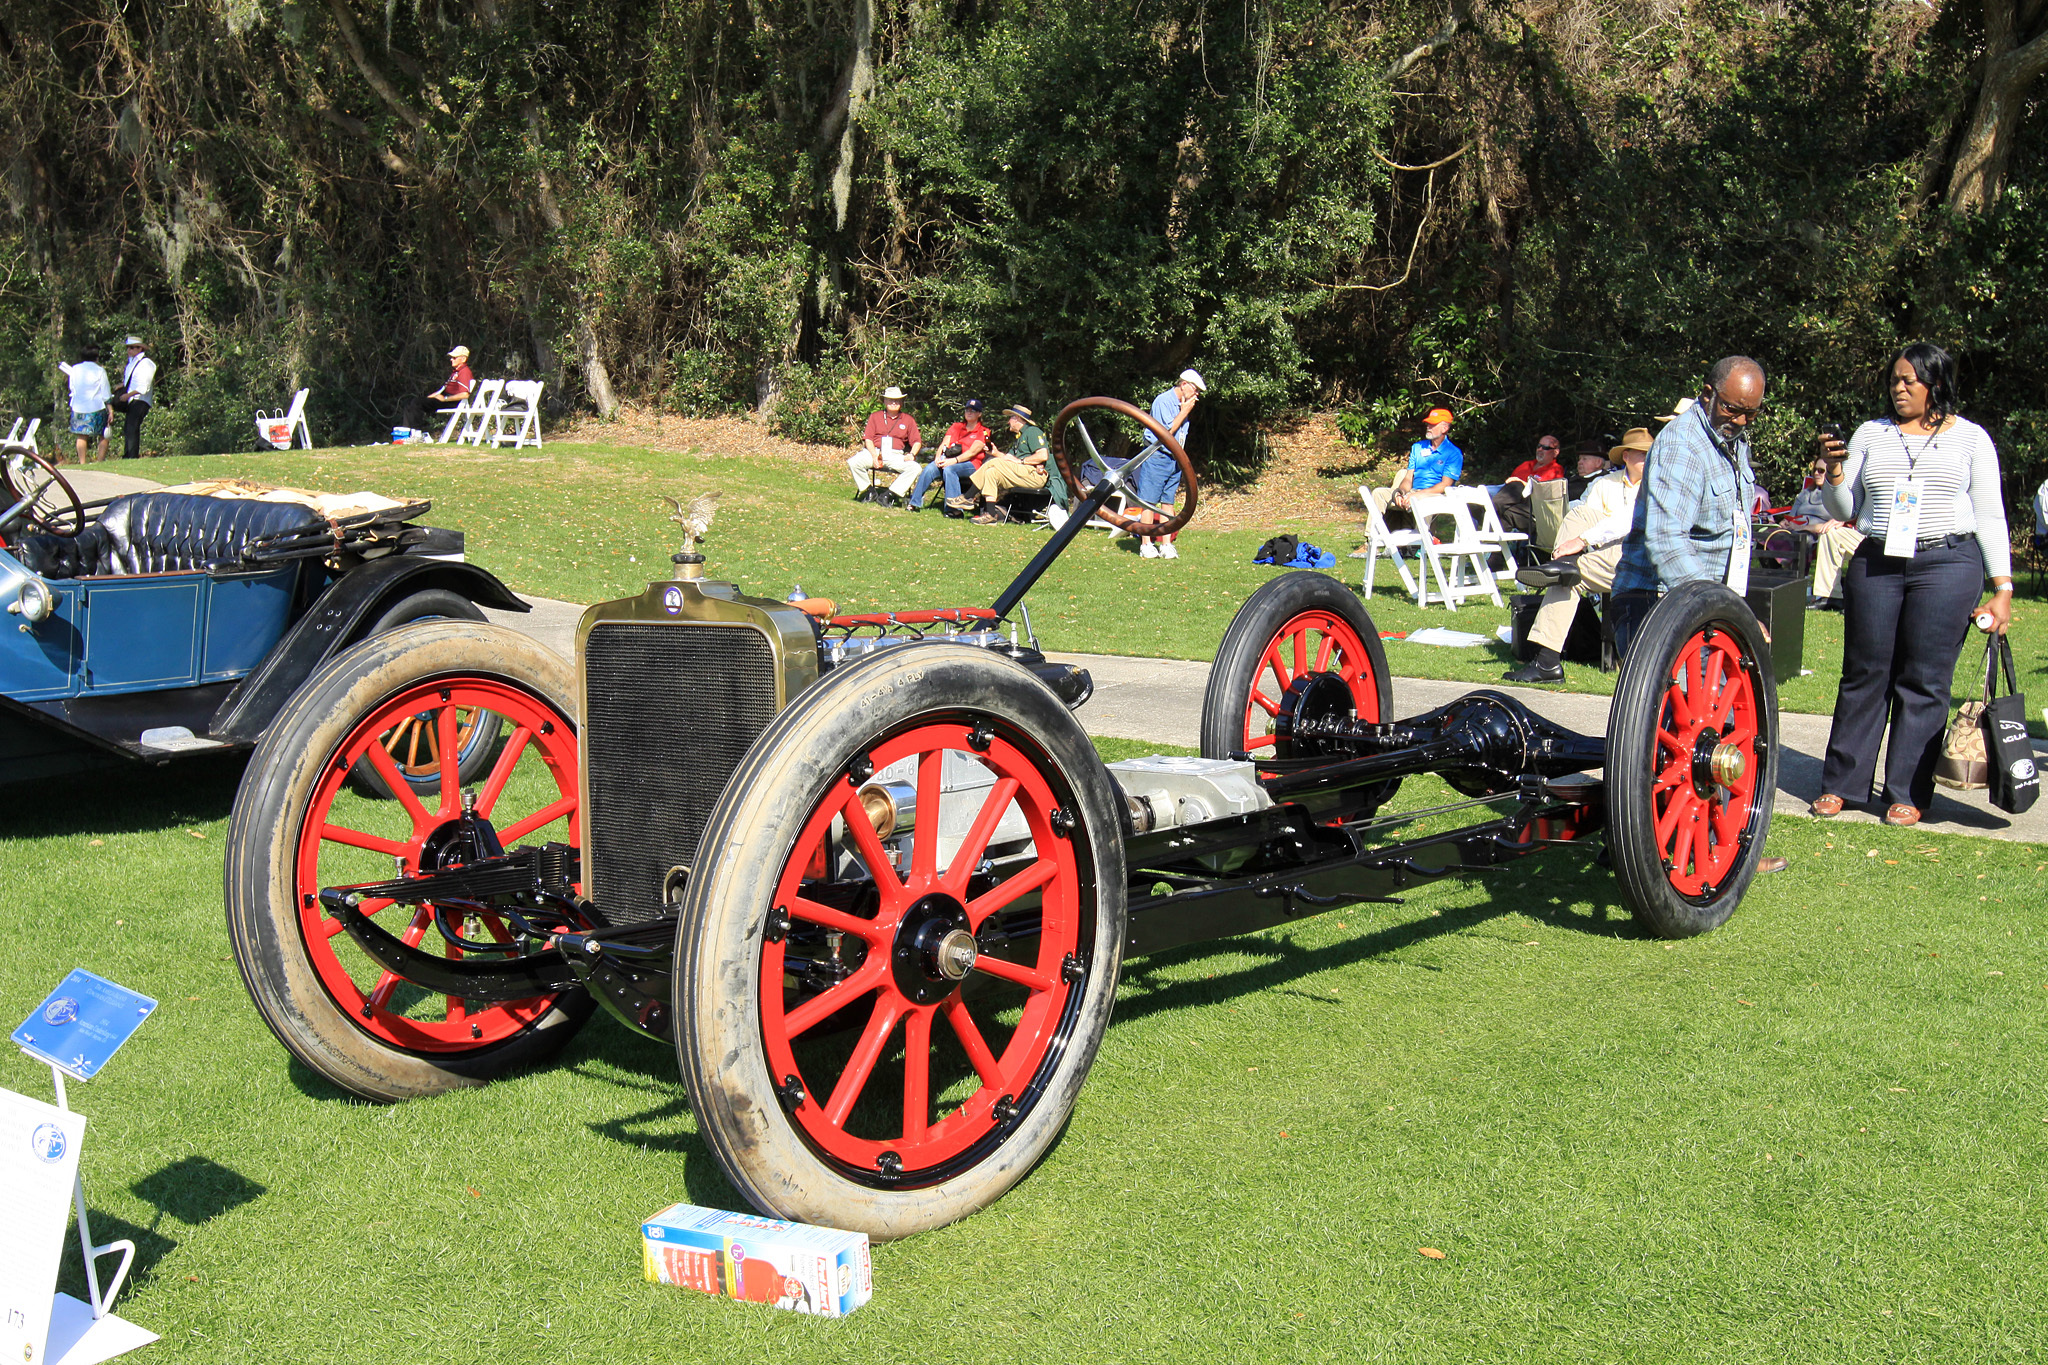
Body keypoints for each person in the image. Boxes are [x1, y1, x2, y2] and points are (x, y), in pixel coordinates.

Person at [1808, 342, 2012, 828]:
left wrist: (2002, 585)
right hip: (1878, 559)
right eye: (1894, 380)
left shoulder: (1971, 439)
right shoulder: (1870, 434)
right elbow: (1842, 509)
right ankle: (1843, 786)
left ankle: (1906, 791)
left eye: (1909, 381)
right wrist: (1835, 469)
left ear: (1935, 384)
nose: (1898, 388)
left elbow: (1989, 513)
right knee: (1865, 673)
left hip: (1947, 562)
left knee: (1924, 679)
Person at [1610, 356, 1788, 875]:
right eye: (1733, 409)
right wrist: (1731, 610)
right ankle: (1653, 855)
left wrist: (1728, 611)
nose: (1741, 421)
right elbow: (1666, 543)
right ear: (1706, 393)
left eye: (1752, 413)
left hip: (1704, 609)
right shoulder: (1684, 446)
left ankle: (1719, 848)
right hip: (1655, 601)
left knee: (1713, 731)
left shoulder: (1731, 441)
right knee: (1671, 738)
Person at [1502, 428, 1650, 683]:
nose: (1649, 461)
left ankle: (1546, 662)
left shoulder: (1655, 487)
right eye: (1643, 455)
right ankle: (1563, 567)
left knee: (1567, 576)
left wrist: (1582, 540)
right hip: (1601, 554)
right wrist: (1581, 544)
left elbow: (1629, 522)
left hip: (1635, 555)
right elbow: (1582, 521)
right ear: (1626, 456)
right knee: (1578, 515)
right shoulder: (1605, 484)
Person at [1132, 369, 1204, 559]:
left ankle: (1166, 545)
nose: (1196, 395)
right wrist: (1185, 411)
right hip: (1157, 456)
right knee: (1148, 501)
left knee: (1168, 502)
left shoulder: (1183, 404)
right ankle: (1146, 544)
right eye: (1195, 390)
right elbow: (1166, 433)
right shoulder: (1164, 401)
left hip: (1174, 459)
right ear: (1184, 385)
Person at [1781, 456, 1863, 606]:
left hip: (1811, 533)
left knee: (1816, 535)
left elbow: (1841, 516)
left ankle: (1804, 586)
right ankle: (1829, 596)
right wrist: (1787, 522)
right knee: (1770, 538)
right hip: (1797, 529)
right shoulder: (1806, 493)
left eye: (1822, 471)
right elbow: (1791, 516)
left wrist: (1804, 527)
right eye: (1815, 470)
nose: (1817, 473)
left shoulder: (1836, 495)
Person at [1368, 407, 1462, 519]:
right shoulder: (1417, 447)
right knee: (1378, 493)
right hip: (1412, 492)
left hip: (1433, 495)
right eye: (1428, 424)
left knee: (1423, 502)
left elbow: (1445, 485)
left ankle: (1424, 535)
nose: (1428, 427)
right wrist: (1400, 493)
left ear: (1444, 428)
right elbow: (1408, 478)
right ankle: (1372, 535)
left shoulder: (1453, 453)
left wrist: (1419, 494)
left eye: (1432, 424)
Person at [967, 405, 1051, 522]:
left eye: (1010, 418)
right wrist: (996, 453)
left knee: (994, 463)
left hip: (1035, 475)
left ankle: (967, 497)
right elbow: (1008, 459)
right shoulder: (1020, 437)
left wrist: (1021, 461)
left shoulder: (1033, 431)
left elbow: (1043, 455)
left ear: (1017, 418)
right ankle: (990, 515)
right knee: (992, 472)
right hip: (1023, 473)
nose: (1008, 422)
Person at [849, 386, 923, 503]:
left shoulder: (908, 419)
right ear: (885, 401)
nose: (894, 403)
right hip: (874, 451)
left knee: (915, 468)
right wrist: (874, 456)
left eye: (897, 400)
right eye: (890, 400)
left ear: (901, 402)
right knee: (854, 462)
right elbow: (868, 439)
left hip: (895, 454)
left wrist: (912, 454)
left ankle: (889, 495)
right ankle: (869, 491)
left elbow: (917, 441)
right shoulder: (875, 416)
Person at [1488, 434, 1565, 539]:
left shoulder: (1556, 470)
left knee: (1516, 486)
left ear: (1555, 452)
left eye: (1545, 448)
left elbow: (1545, 492)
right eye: (1539, 446)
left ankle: (1488, 510)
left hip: (1531, 505)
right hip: (1509, 501)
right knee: (1483, 492)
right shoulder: (1526, 465)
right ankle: (1494, 552)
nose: (1540, 449)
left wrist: (1523, 484)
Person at [58, 344, 111, 464]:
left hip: (78, 407)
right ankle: (100, 461)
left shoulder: (75, 369)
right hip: (96, 407)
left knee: (81, 436)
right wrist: (110, 409)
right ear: (97, 357)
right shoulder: (100, 370)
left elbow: (72, 387)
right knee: (104, 435)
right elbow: (106, 392)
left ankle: (82, 462)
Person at [406, 345, 475, 435]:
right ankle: (406, 432)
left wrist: (445, 399)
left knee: (417, 403)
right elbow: (443, 389)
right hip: (443, 398)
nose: (451, 360)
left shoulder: (464, 372)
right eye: (451, 358)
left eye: (454, 357)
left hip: (450, 401)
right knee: (410, 402)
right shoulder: (456, 372)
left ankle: (416, 433)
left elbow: (465, 394)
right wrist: (431, 397)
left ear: (463, 359)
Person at [108, 335, 157, 460]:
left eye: (131, 348)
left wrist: (128, 395)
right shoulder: (132, 363)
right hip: (132, 399)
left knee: (132, 427)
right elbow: (130, 382)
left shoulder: (146, 363)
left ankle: (132, 455)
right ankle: (128, 454)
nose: (128, 351)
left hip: (140, 400)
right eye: (128, 348)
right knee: (129, 427)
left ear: (139, 349)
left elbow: (143, 386)